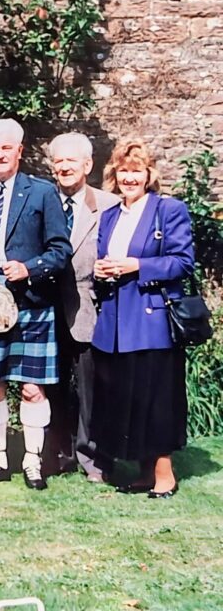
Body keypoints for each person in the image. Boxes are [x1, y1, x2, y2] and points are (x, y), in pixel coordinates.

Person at [0, 118, 71, 490]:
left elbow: (60, 250)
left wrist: (30, 268)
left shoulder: (41, 193)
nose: (0, 154)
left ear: (20, 152)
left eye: (8, 148)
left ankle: (33, 461)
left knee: (33, 387)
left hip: (31, 304)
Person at [91, 139, 195, 499]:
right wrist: (102, 270)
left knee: (154, 400)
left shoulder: (169, 210)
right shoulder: (109, 215)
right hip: (116, 324)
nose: (130, 178)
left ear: (149, 174)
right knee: (128, 400)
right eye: (124, 171)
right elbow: (105, 260)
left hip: (152, 323)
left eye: (137, 171)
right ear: (114, 175)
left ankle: (164, 475)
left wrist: (137, 265)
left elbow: (182, 262)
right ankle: (143, 472)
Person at [46, 132, 119, 484]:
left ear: (87, 166)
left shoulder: (109, 205)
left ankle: (93, 457)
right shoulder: (43, 200)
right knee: (54, 385)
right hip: (47, 310)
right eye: (58, 162)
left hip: (91, 309)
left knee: (92, 389)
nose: (64, 168)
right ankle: (59, 453)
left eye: (70, 161)